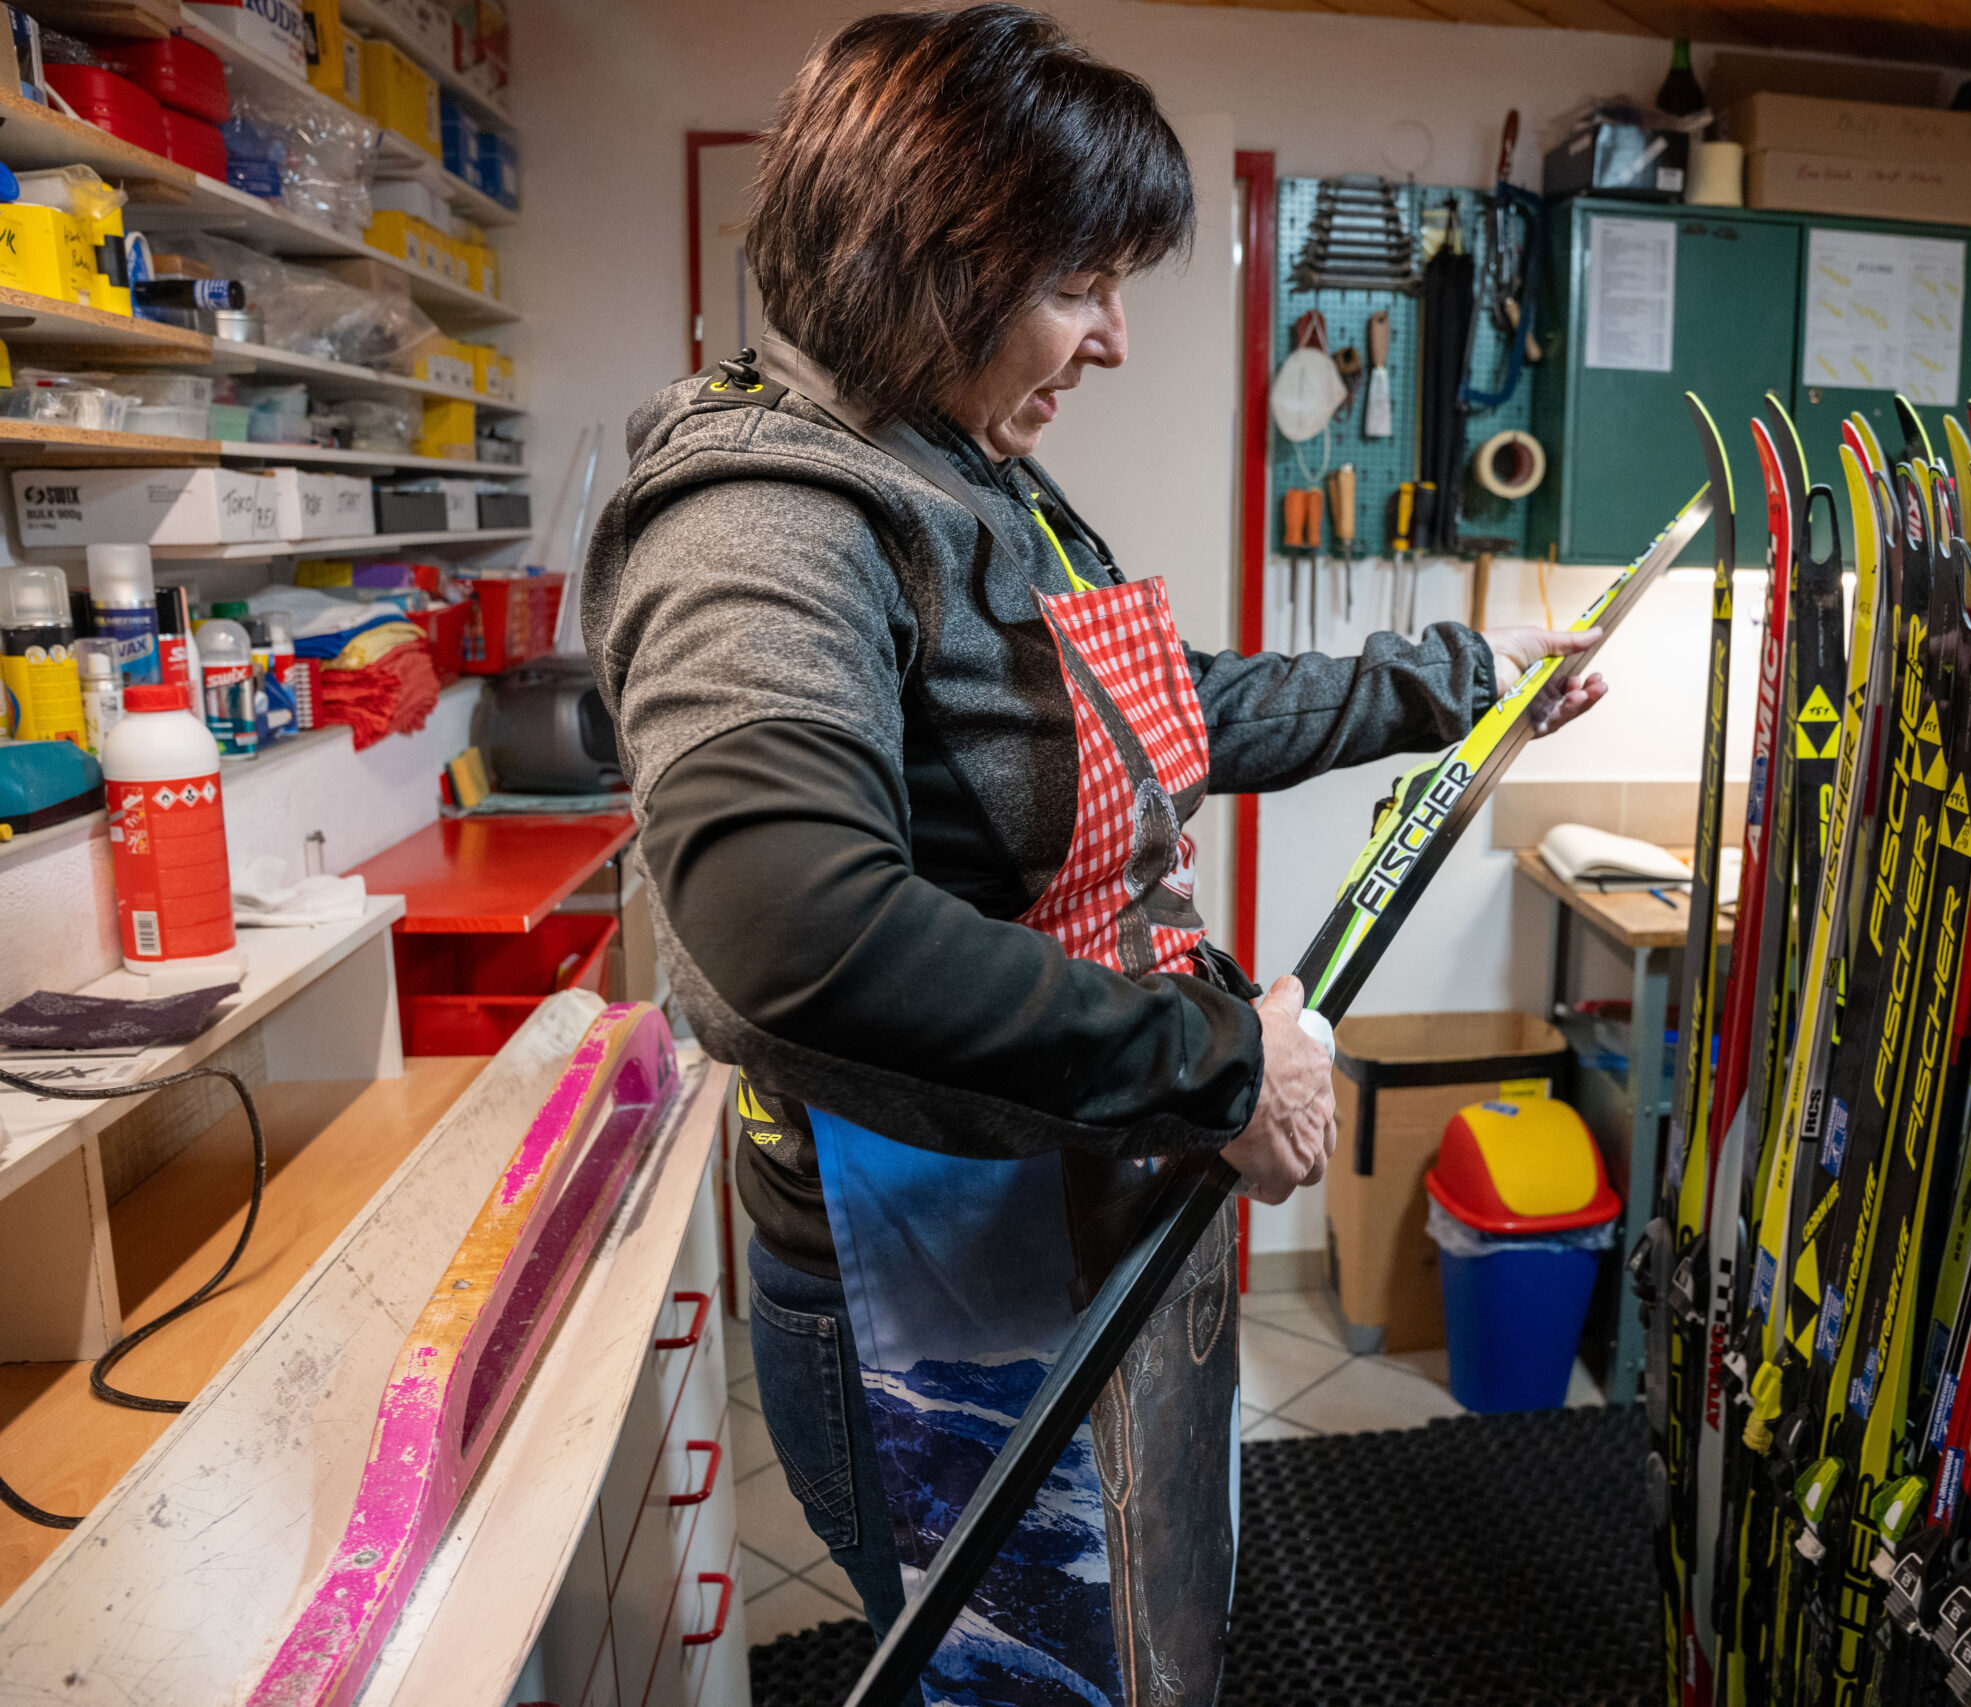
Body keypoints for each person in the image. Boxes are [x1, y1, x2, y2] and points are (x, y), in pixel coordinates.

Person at [581, 9, 1609, 1702]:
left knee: (1139, 1638)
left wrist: (1461, 685)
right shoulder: (768, 521)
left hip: (1092, 1189)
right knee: (1026, 1676)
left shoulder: (975, 471)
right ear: (934, 264)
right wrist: (1222, 1061)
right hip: (943, 1260)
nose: (1117, 339)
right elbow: (793, 930)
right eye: (1082, 285)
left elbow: (1156, 717)